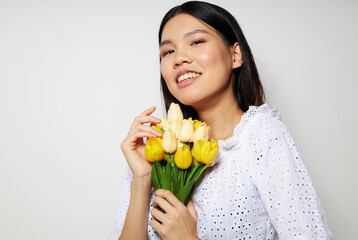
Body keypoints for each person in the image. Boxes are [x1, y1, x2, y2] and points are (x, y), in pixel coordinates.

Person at [110, 1, 334, 239]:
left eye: (196, 42)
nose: (179, 58)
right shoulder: (156, 148)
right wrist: (142, 179)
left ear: (235, 55)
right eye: (168, 52)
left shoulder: (261, 137)